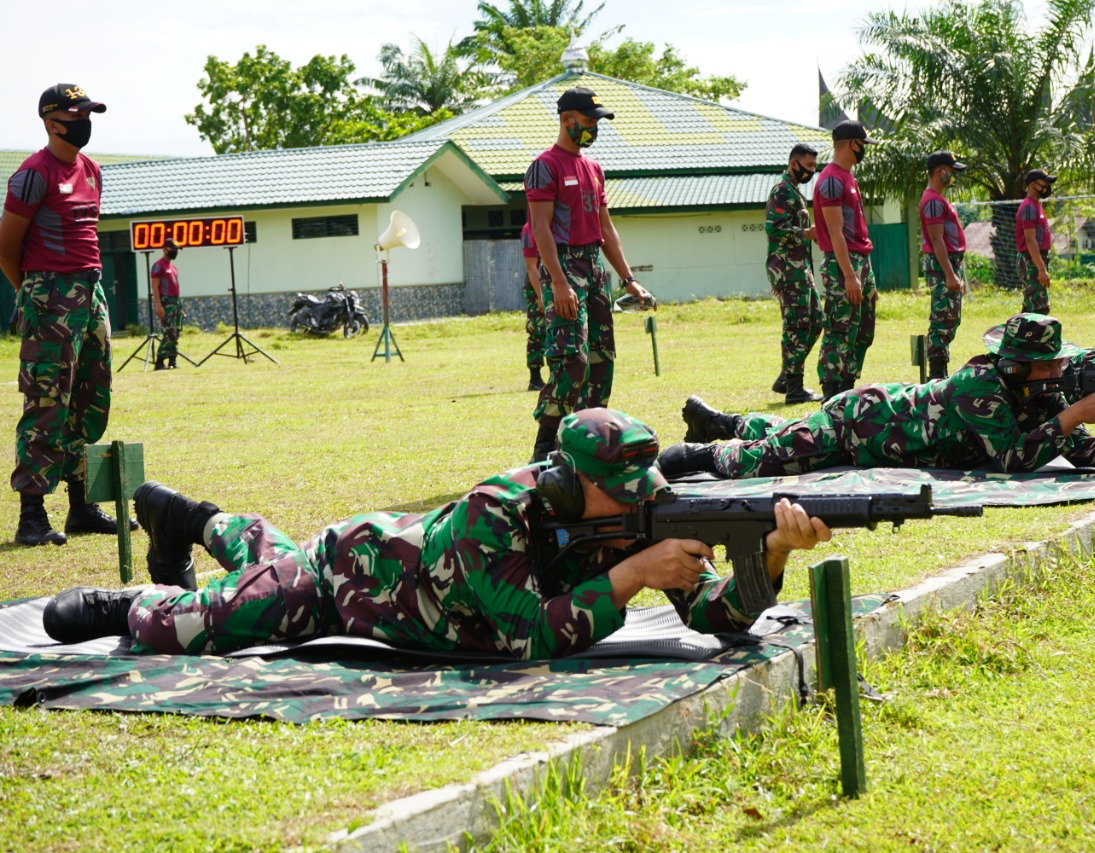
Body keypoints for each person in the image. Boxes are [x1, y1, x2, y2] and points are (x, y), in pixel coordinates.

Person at [41, 409, 832, 660]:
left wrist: (769, 554)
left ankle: (194, 518)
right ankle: (128, 600)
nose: (638, 500)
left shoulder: (640, 511)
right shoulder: (497, 509)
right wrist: (635, 574)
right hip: (350, 582)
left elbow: (716, 619)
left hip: (383, 569)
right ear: (566, 481)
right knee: (185, 626)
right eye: (617, 489)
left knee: (260, 558)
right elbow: (527, 636)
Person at [661, 313, 1095, 480]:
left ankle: (726, 421)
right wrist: (1074, 415)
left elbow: (1083, 453)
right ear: (1017, 365)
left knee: (786, 439)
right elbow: (1014, 459)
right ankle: (698, 451)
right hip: (864, 420)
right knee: (760, 463)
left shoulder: (1042, 395)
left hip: (877, 436)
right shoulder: (981, 386)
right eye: (1049, 364)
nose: (1060, 370)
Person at [0, 83, 133, 546]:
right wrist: (36, 300)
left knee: (90, 398)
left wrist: (82, 297)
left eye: (89, 114)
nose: (85, 123)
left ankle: (81, 506)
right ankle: (32, 516)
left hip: (91, 292)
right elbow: (6, 249)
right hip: (50, 294)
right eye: (77, 115)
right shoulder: (32, 175)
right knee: (46, 402)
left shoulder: (92, 169)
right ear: (52, 121)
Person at [525, 87, 655, 463]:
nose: (594, 127)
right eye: (588, 121)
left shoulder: (593, 167)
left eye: (597, 121)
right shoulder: (544, 166)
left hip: (594, 270)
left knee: (601, 360)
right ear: (567, 119)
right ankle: (544, 448)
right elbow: (541, 228)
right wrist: (559, 282)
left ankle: (589, 444)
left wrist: (629, 279)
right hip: (562, 268)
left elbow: (606, 228)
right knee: (571, 362)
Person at [813, 120, 878, 401]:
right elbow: (835, 232)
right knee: (840, 328)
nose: (864, 150)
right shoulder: (830, 179)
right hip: (843, 263)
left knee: (863, 328)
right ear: (852, 143)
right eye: (862, 144)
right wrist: (849, 275)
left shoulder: (848, 177)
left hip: (861, 259)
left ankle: (848, 386)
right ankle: (832, 391)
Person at [764, 142, 822, 404]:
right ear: (793, 163)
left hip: (801, 269)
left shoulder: (794, 192)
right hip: (788, 270)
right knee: (796, 327)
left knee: (816, 320)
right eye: (808, 166)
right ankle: (794, 389)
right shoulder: (782, 191)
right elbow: (773, 228)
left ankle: (787, 377)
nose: (811, 171)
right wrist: (804, 233)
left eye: (814, 167)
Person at [919, 151, 969, 380]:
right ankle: (936, 373)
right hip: (942, 267)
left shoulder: (938, 198)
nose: (952, 176)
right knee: (942, 318)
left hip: (948, 265)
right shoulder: (932, 201)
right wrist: (949, 274)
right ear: (940, 171)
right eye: (951, 171)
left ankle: (940, 370)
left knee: (950, 317)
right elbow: (937, 240)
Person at [1016, 169, 1056, 314]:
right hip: (1031, 259)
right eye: (1044, 183)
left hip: (1036, 258)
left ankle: (1018, 335)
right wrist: (1041, 269)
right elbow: (1030, 239)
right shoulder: (1028, 207)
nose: (1047, 187)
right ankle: (1029, 336)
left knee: (1031, 305)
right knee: (1039, 308)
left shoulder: (1036, 205)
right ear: (1033, 184)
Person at [519, 220, 546, 391]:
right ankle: (535, 379)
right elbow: (531, 266)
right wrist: (540, 295)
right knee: (537, 331)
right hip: (537, 285)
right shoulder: (529, 229)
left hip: (558, 282)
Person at [149, 238, 183, 370]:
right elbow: (155, 287)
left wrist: (179, 306)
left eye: (176, 250)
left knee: (176, 331)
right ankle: (160, 361)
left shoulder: (173, 267)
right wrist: (158, 305)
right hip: (165, 301)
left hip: (175, 302)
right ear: (164, 249)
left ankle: (172, 361)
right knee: (169, 332)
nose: (175, 252)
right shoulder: (158, 265)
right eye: (173, 249)